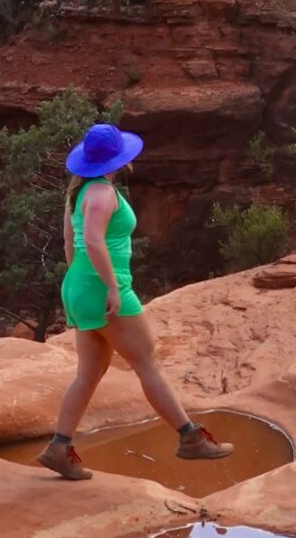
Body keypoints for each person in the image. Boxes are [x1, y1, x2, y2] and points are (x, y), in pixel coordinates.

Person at [40, 121, 232, 482]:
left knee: (90, 373)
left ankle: (58, 448)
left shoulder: (76, 194)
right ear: (117, 159)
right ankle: (189, 438)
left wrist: (81, 286)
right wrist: (110, 288)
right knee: (147, 362)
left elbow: (71, 243)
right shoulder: (102, 194)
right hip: (103, 287)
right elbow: (94, 242)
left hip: (80, 284)